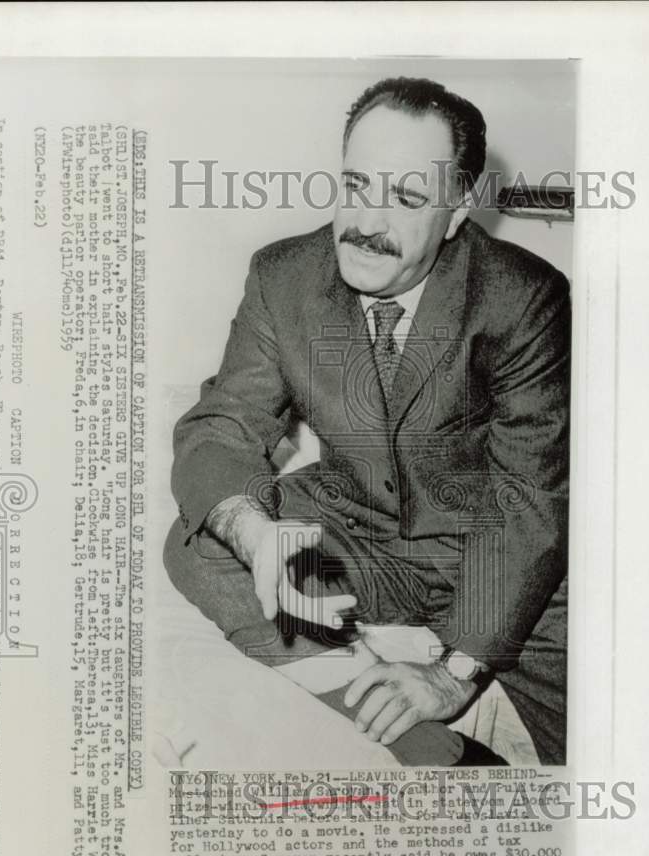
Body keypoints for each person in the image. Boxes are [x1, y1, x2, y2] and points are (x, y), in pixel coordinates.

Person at [164, 77, 570, 765]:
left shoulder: (526, 299)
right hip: (364, 540)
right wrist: (258, 535)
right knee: (202, 535)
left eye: (407, 198)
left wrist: (450, 675)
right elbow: (223, 426)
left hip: (484, 553)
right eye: (355, 185)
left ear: (459, 207)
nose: (365, 223)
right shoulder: (282, 276)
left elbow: (526, 503)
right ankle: (435, 753)